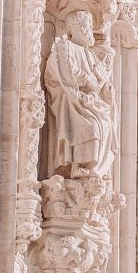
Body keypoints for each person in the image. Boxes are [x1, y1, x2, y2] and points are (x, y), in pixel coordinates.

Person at [44, 10, 115, 179]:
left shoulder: (90, 54)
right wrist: (87, 80)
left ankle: (91, 167)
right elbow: (66, 71)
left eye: (90, 26)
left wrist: (107, 91)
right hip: (72, 99)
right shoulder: (65, 47)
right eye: (87, 26)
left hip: (89, 101)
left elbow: (100, 79)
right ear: (74, 28)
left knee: (104, 122)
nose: (90, 30)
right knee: (91, 126)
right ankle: (78, 165)